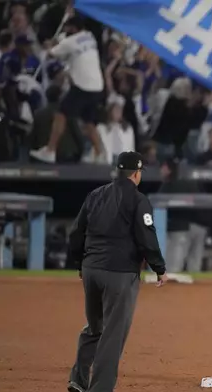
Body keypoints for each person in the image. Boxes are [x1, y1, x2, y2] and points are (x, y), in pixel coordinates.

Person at [65, 151, 168, 392]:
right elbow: (147, 237)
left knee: (94, 327)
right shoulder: (138, 199)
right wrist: (159, 268)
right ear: (135, 173)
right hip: (119, 273)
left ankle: (78, 380)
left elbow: (76, 233)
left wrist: (80, 264)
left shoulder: (95, 195)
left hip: (91, 270)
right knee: (112, 334)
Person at [29, 16, 106, 164]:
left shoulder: (69, 42)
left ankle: (50, 151)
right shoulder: (90, 36)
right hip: (97, 86)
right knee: (88, 121)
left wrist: (49, 45)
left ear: (73, 28)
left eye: (67, 28)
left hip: (82, 86)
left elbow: (51, 53)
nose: (65, 30)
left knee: (61, 114)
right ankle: (100, 153)